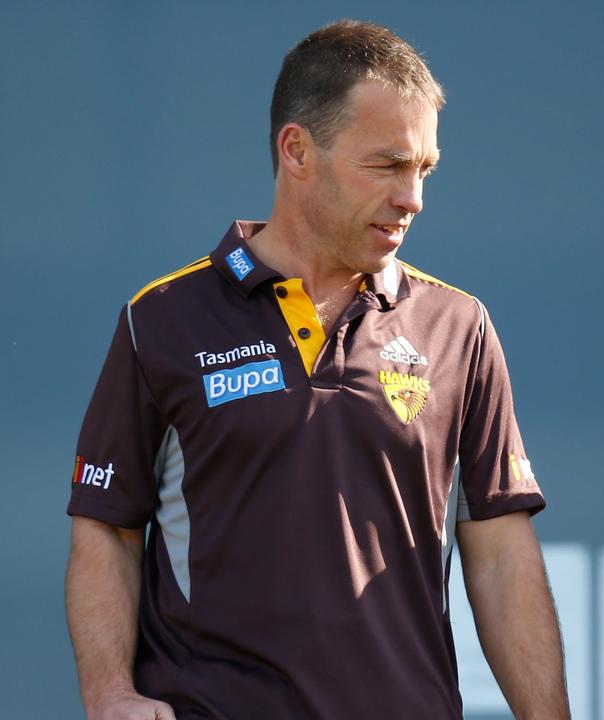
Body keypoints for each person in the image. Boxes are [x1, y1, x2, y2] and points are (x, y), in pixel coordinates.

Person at [65, 20, 569, 720]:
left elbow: (501, 553)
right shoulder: (161, 320)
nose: (413, 198)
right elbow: (107, 524)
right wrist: (110, 695)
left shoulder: (460, 327)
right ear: (297, 150)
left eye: (425, 169)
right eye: (387, 165)